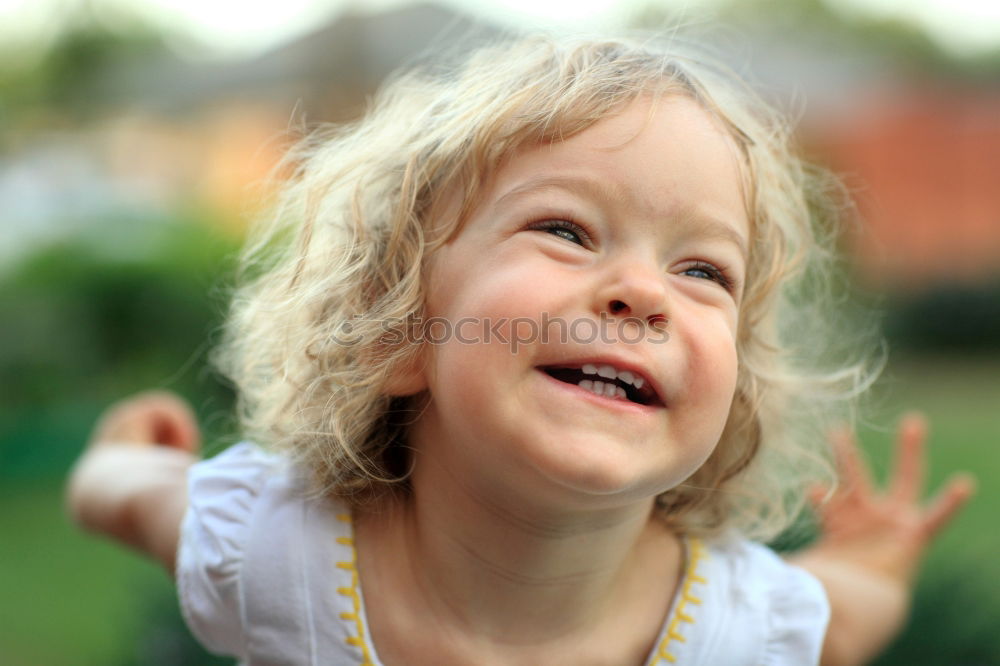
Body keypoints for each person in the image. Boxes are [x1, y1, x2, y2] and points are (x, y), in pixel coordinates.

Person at [67, 34, 974, 665]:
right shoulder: (269, 549)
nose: (645, 293)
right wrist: (122, 459)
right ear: (395, 330)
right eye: (568, 231)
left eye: (703, 270)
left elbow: (849, 624)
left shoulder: (745, 626)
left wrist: (872, 562)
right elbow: (119, 500)